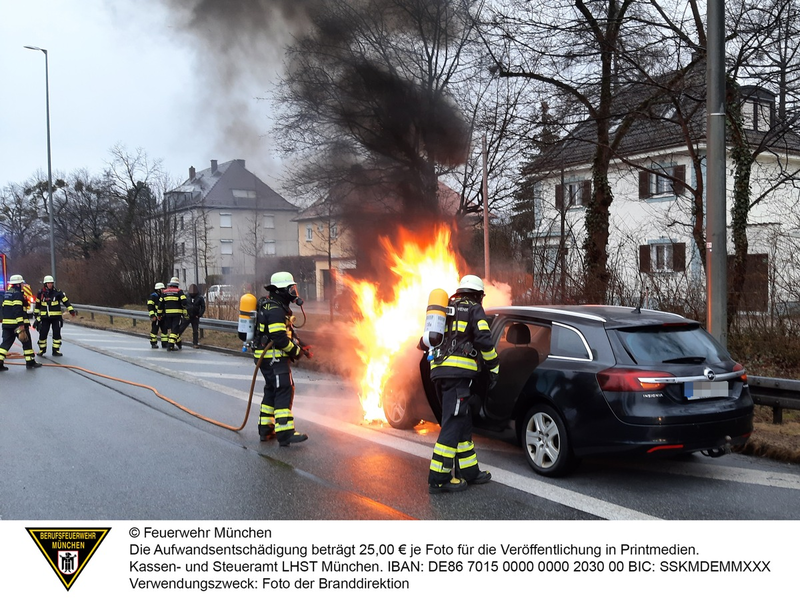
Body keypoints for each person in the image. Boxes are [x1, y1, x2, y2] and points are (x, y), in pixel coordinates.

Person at [426, 275, 498, 494]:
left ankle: (469, 472)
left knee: (463, 422)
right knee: (453, 423)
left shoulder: (449, 308)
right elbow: (484, 339)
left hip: (440, 372)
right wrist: (494, 365)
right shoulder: (474, 309)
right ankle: (439, 478)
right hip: (457, 376)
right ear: (477, 295)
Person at [253, 271, 311, 446]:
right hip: (274, 358)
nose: (294, 292)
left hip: (266, 358)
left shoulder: (274, 305)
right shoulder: (276, 310)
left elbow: (287, 333)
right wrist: (296, 352)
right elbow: (279, 338)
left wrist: (303, 345)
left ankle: (266, 429)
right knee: (284, 388)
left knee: (272, 389)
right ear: (280, 290)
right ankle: (285, 432)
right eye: (290, 289)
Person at [0, 274, 41, 370]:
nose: (23, 285)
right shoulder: (17, 294)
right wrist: (21, 325)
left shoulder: (7, 293)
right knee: (26, 342)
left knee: (5, 344)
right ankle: (30, 362)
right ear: (18, 284)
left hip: (7, 324)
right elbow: (17, 310)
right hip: (17, 325)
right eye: (22, 283)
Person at [34, 275, 77, 357]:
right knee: (43, 334)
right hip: (45, 318)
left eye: (51, 283)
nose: (50, 284)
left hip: (56, 318)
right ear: (45, 284)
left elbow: (66, 301)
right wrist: (36, 315)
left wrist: (71, 310)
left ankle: (56, 350)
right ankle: (42, 350)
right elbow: (37, 304)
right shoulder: (41, 293)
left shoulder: (58, 292)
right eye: (48, 283)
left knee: (56, 334)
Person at [161, 276, 188, 351]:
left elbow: (160, 304)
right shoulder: (179, 291)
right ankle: (170, 345)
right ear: (177, 284)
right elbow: (184, 302)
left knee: (173, 329)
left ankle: (179, 343)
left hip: (168, 314)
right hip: (177, 313)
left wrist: (159, 314)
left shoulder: (164, 292)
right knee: (175, 329)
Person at [179, 284, 206, 348]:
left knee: (195, 330)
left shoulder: (200, 298)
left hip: (195, 316)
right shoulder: (186, 296)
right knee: (181, 328)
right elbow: (182, 305)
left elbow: (203, 307)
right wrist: (183, 314)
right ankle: (175, 339)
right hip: (187, 316)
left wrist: (199, 314)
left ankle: (195, 343)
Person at [147, 282, 166, 348]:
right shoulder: (153, 296)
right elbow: (150, 307)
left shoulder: (163, 296)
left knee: (164, 331)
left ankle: (165, 343)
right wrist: (153, 316)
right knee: (154, 330)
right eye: (162, 289)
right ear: (158, 290)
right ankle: (153, 343)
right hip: (156, 317)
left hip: (162, 316)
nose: (163, 290)